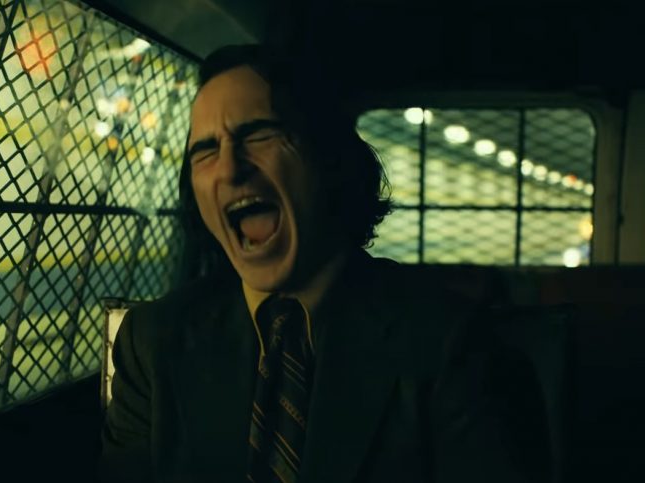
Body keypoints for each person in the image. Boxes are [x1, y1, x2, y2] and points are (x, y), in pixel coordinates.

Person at [99, 44, 548, 483]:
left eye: (259, 134)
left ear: (328, 156)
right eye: (205, 151)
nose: (229, 169)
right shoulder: (152, 343)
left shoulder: (453, 344)